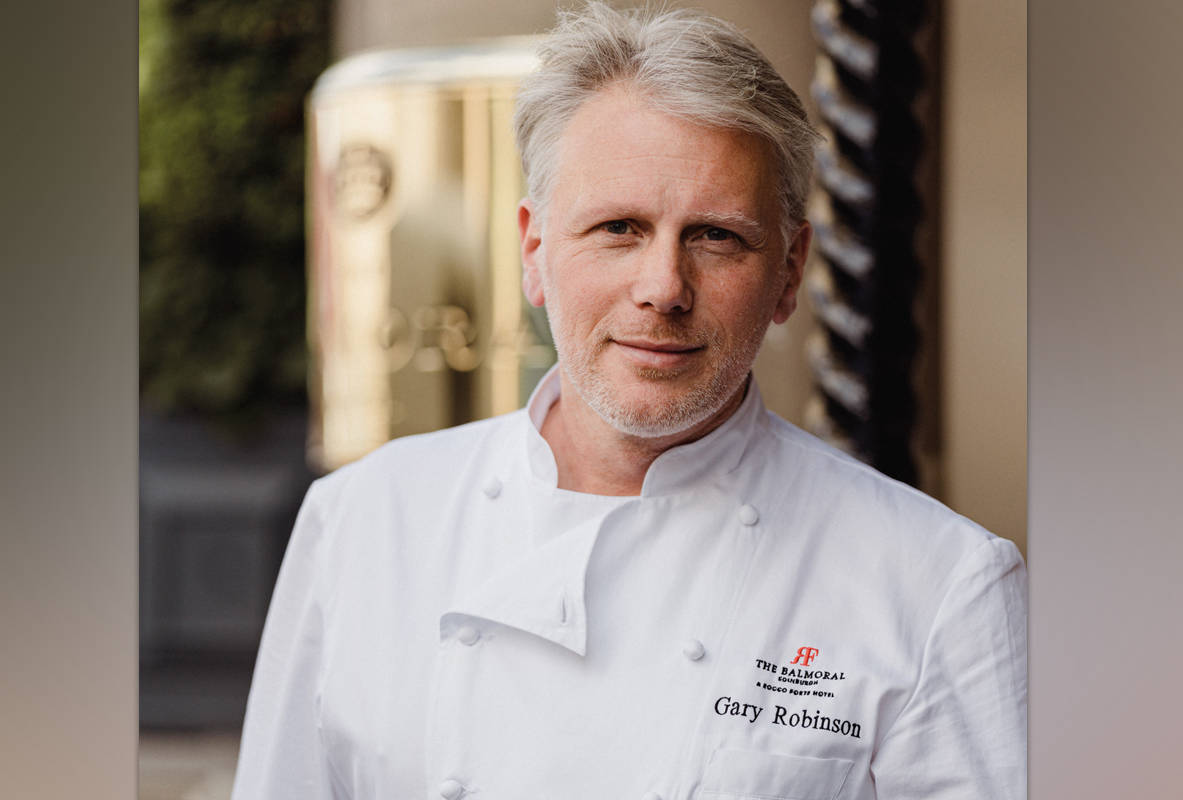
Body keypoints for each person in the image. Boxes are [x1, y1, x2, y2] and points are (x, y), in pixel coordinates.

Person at [231, 4, 1027, 799]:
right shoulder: (362, 522)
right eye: (618, 227)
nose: (663, 288)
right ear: (534, 251)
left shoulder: (938, 584)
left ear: (789, 274)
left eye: (716, 236)